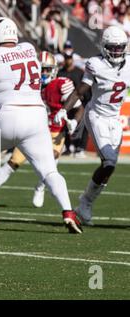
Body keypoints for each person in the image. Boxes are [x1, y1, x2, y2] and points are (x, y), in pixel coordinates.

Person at [0, 17, 82, 234]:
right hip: (37, 116)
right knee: (49, 170)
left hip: (7, 114)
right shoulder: (29, 48)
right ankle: (68, 211)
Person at [0, 51, 83, 208]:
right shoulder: (27, 85)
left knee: (52, 160)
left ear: (54, 70)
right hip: (35, 129)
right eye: (41, 69)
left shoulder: (62, 84)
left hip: (55, 130)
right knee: (13, 162)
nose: (43, 73)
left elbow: (79, 108)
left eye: (47, 69)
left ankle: (40, 187)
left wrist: (74, 122)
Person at [56, 25, 130, 226]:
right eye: (112, 47)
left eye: (120, 47)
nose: (116, 51)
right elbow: (81, 91)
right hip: (96, 116)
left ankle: (85, 203)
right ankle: (86, 202)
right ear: (104, 47)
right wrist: (64, 110)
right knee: (109, 162)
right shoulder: (95, 64)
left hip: (114, 119)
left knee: (109, 167)